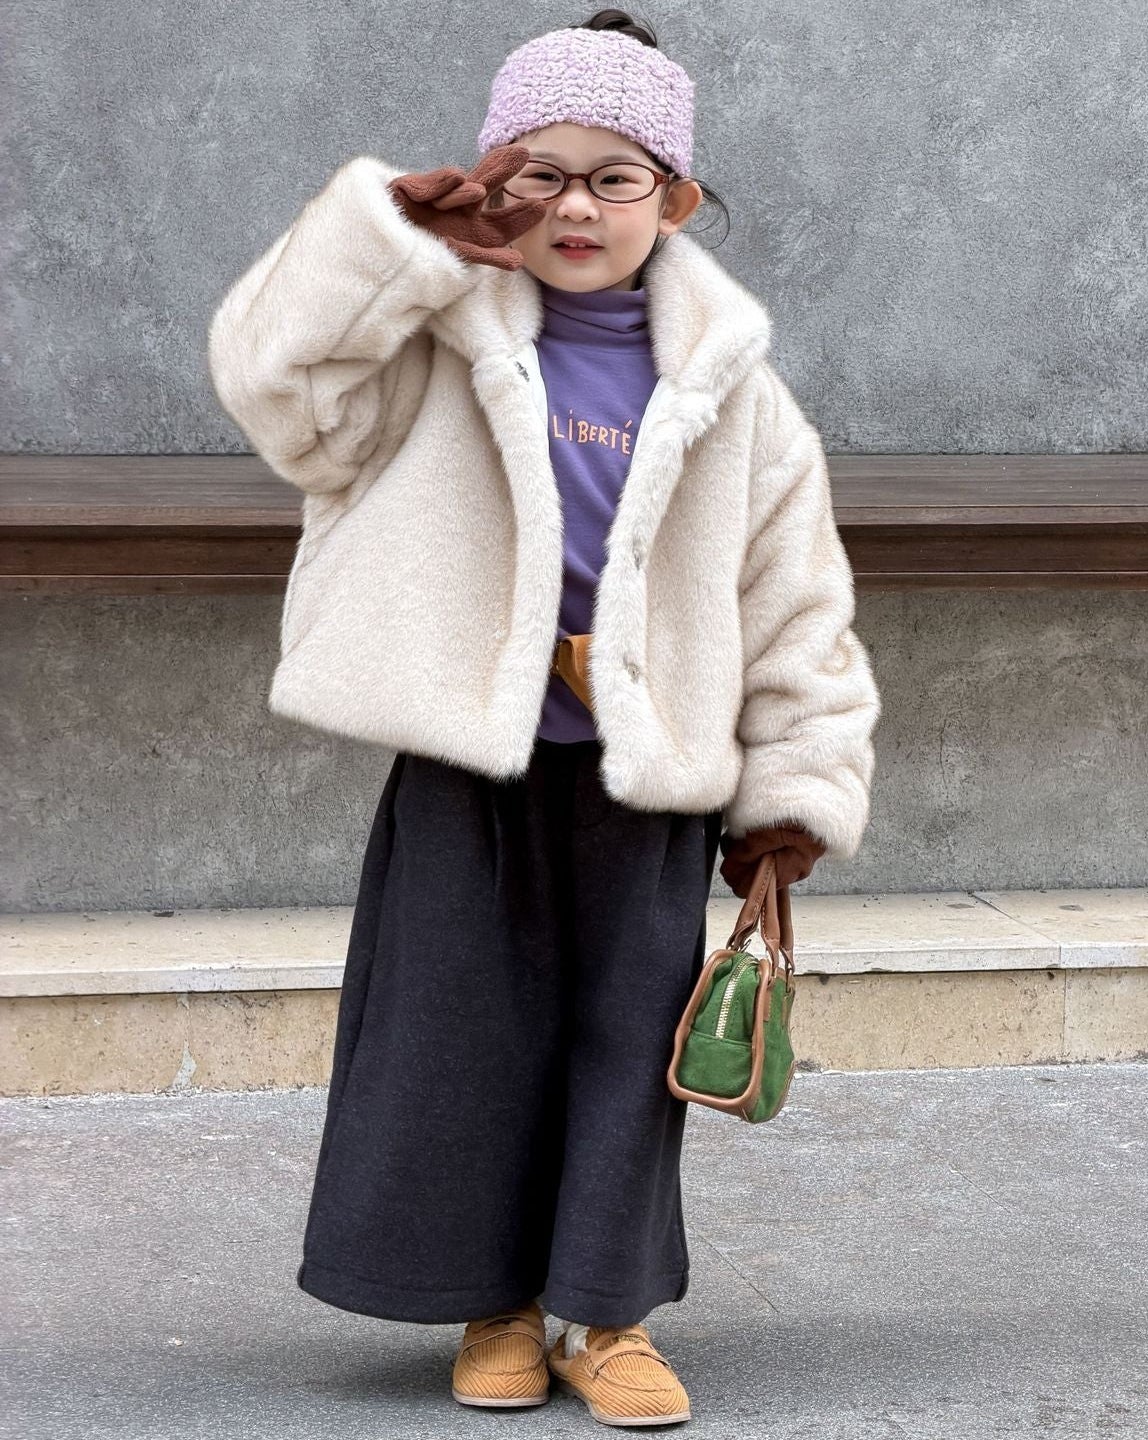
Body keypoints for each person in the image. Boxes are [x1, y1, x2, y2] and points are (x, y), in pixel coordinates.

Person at [206, 10, 881, 1428]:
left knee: (631, 1050)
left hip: (650, 780)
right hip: (474, 763)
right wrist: (389, 243)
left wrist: (794, 786)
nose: (577, 207)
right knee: (460, 1042)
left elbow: (795, 597)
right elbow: (277, 392)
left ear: (674, 199)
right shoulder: (428, 343)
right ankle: (498, 1306)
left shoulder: (737, 390)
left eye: (615, 177)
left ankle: (606, 1318)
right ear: (493, 184)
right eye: (542, 174)